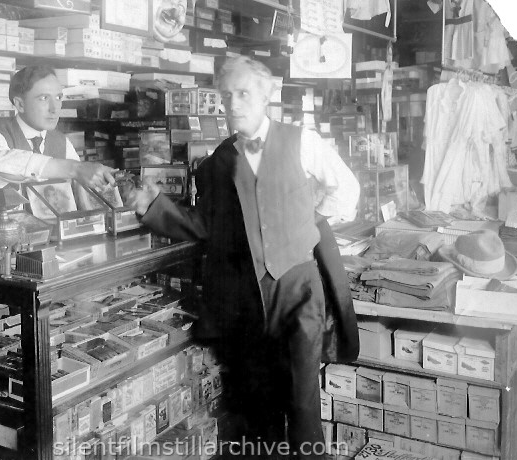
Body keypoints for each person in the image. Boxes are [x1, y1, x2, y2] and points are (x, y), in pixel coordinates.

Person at [129, 56, 360, 459]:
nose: (233, 103)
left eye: (243, 93)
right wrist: (151, 206)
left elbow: (347, 192)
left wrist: (305, 220)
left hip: (298, 288)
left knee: (303, 401)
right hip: (246, 297)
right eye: (226, 95)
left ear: (267, 94)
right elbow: (204, 225)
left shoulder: (301, 140)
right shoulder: (219, 160)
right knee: (258, 401)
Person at [0, 65, 116, 189]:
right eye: (44, 98)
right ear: (20, 104)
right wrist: (75, 169)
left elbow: (79, 186)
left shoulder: (61, 142)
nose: (55, 109)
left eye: (58, 98)